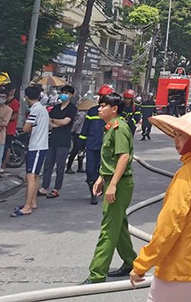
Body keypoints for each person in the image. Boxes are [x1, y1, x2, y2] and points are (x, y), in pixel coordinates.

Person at [129, 108, 191, 300]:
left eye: (181, 135)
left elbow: (169, 226)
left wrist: (142, 264)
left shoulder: (188, 174)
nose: (176, 140)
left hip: (179, 268)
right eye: (176, 134)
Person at [82, 91, 137, 284]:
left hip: (119, 183)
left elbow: (123, 157)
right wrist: (101, 177)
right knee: (118, 224)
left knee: (108, 228)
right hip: (113, 180)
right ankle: (131, 261)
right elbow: (111, 158)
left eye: (103, 106)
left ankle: (97, 274)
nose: (99, 108)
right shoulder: (110, 126)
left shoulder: (118, 127)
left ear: (114, 109)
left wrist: (112, 184)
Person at [12, 86, 49, 218]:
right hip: (41, 145)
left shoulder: (35, 110)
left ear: (27, 97)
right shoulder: (42, 109)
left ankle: (27, 206)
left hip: (36, 146)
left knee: (30, 176)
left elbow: (26, 128)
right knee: (35, 175)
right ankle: (32, 202)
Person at [40, 85, 77, 199]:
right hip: (53, 139)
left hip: (64, 140)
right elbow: (49, 122)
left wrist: (54, 121)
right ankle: (44, 187)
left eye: (67, 93)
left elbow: (65, 122)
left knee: (60, 166)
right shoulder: (56, 108)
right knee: (48, 165)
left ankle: (56, 188)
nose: (64, 94)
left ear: (71, 95)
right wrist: (56, 123)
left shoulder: (72, 108)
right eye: (63, 92)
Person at [81, 85, 114, 205]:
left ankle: (103, 189)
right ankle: (93, 193)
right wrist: (80, 144)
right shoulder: (92, 111)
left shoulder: (114, 112)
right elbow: (85, 129)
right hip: (91, 146)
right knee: (90, 171)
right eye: (101, 96)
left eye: (104, 97)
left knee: (104, 170)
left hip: (106, 147)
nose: (102, 99)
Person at [66, 98, 91, 174]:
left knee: (81, 151)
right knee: (76, 150)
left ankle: (80, 167)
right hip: (78, 133)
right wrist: (72, 131)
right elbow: (78, 123)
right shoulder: (82, 114)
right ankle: (69, 167)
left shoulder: (85, 113)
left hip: (81, 133)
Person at [1, 85, 20, 171]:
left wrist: (4, 118)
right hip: (1, 129)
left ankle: (3, 166)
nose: (11, 92)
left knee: (6, 147)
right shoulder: (3, 102)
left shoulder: (15, 103)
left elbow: (14, 116)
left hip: (9, 129)